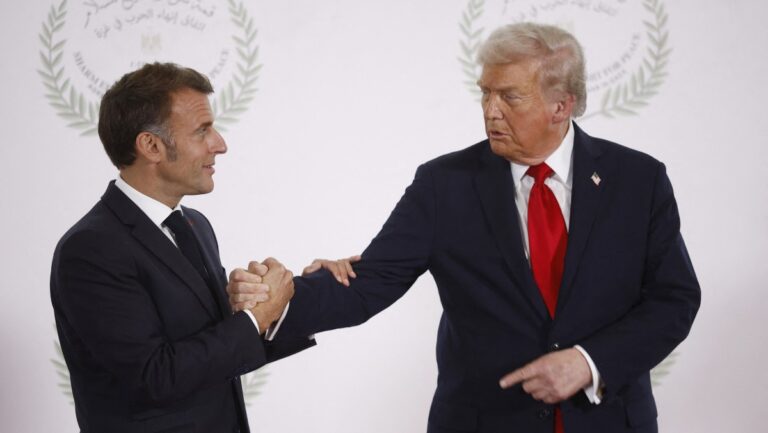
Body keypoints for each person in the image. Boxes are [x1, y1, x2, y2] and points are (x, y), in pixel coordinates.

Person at [229, 23, 701, 433]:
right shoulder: (444, 184)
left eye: (509, 96)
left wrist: (589, 362)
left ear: (561, 106)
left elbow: (674, 299)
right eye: (485, 93)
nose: (490, 110)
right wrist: (277, 300)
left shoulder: (638, 180)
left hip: (608, 421)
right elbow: (370, 283)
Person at [49, 63, 314, 433]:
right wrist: (255, 319)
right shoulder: (90, 249)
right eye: (202, 130)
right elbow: (154, 377)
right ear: (151, 146)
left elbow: (211, 348)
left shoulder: (194, 225)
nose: (220, 144)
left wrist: (289, 296)